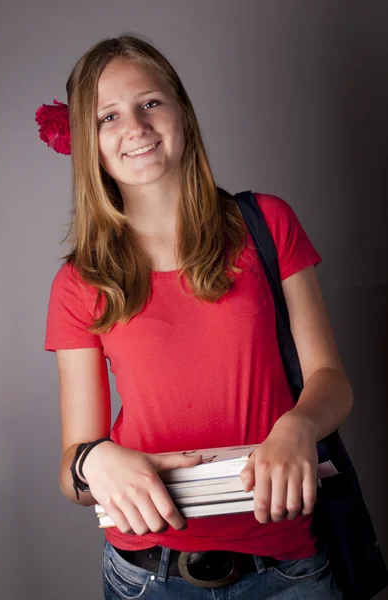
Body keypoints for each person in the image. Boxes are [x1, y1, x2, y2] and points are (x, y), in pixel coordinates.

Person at [43, 34, 353, 599]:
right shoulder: (78, 283)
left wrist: (299, 425)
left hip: (288, 567)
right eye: (108, 115)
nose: (134, 125)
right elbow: (73, 471)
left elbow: (331, 382)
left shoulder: (267, 223)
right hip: (149, 576)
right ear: (88, 142)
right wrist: (95, 461)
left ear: (181, 110)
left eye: (150, 103)